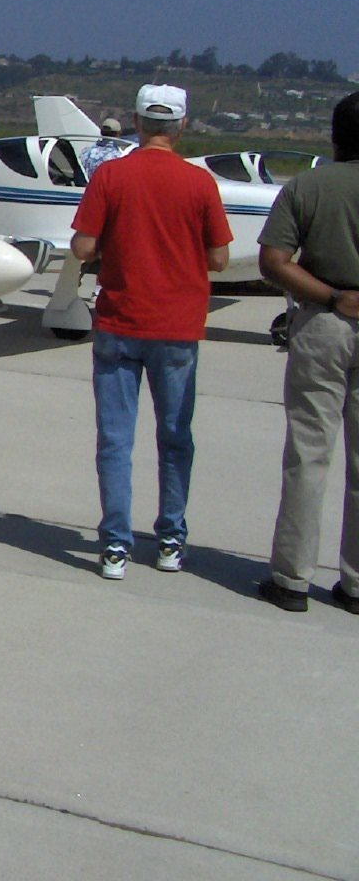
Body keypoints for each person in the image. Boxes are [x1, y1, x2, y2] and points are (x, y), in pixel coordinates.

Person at [69, 83, 232, 580]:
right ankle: (170, 539)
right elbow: (220, 258)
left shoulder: (112, 176)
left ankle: (116, 544)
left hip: (121, 321)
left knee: (116, 440)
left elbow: (82, 247)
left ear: (137, 123)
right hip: (178, 327)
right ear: (181, 126)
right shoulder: (200, 183)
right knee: (176, 435)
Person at [255, 91, 359, 613]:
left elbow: (274, 260)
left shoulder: (309, 187)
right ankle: (356, 583)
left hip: (324, 321)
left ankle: (292, 578)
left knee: (308, 454)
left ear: (336, 137)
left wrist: (333, 296)